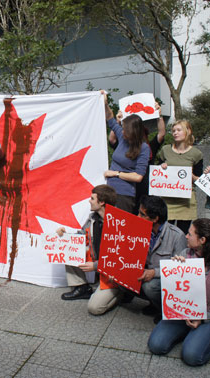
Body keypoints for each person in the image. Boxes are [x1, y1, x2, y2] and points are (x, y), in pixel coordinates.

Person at [148, 218, 210, 366]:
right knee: (156, 345)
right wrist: (174, 269)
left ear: (202, 240)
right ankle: (187, 333)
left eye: (190, 234)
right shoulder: (185, 253)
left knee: (191, 357)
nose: (186, 236)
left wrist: (202, 319)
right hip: (183, 310)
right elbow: (173, 290)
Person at [56, 185, 118, 315]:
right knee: (69, 248)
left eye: (92, 198)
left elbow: (119, 259)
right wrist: (66, 236)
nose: (89, 201)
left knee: (94, 308)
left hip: (114, 274)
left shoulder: (119, 223)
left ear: (101, 202)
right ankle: (81, 287)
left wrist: (96, 266)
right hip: (100, 266)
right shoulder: (93, 218)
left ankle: (122, 293)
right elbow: (81, 236)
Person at [112, 103, 166, 213]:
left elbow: (161, 134)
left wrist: (159, 115)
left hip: (143, 188)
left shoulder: (148, 147)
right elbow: (112, 139)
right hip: (126, 188)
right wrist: (117, 121)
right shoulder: (125, 143)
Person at [101, 91, 150, 213]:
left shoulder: (144, 148)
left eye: (125, 130)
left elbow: (138, 176)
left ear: (133, 132)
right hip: (109, 190)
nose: (122, 132)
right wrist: (105, 103)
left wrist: (116, 174)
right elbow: (110, 119)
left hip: (124, 194)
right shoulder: (122, 138)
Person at [158, 120, 203, 234]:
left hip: (186, 201)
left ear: (188, 131)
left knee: (182, 234)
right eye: (173, 131)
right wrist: (161, 167)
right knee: (165, 233)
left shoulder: (196, 153)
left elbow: (200, 180)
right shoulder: (165, 150)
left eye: (179, 130)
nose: (175, 133)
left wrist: (191, 176)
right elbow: (157, 172)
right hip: (167, 200)